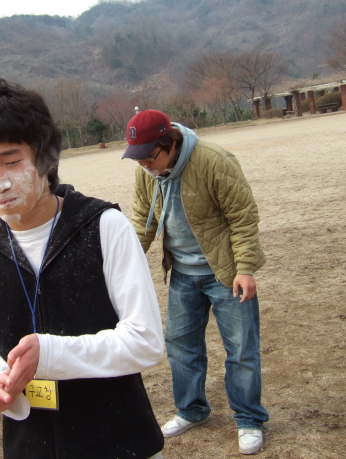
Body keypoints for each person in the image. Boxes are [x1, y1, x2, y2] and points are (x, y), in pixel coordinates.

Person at [0, 78, 165, 459]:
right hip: (30, 444)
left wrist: (49, 354)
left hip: (121, 440)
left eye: (12, 162)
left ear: (46, 156)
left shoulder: (104, 226)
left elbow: (145, 341)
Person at [123, 109, 268, 455]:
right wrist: (124, 263)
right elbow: (143, 219)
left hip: (225, 274)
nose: (144, 164)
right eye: (138, 158)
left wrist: (245, 268)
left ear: (170, 143)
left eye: (149, 156)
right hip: (182, 275)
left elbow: (243, 217)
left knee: (241, 350)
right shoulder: (147, 171)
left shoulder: (214, 160)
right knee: (181, 346)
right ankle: (191, 409)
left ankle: (249, 418)